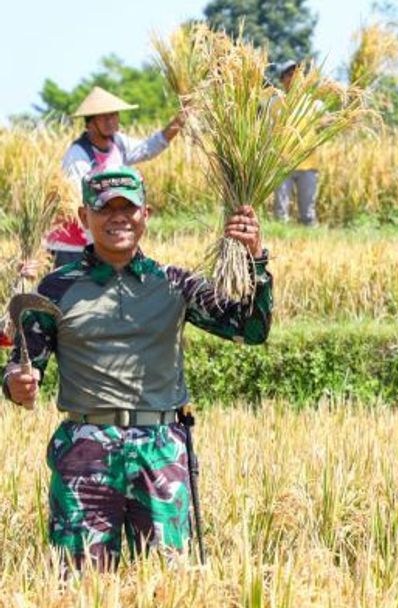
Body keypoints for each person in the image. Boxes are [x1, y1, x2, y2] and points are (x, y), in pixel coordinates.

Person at [3, 166, 273, 570]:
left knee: (169, 584)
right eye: (105, 208)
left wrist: (254, 260)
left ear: (145, 213)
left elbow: (249, 329)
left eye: (127, 208)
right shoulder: (55, 289)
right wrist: (17, 384)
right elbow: (22, 367)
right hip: (85, 451)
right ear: (83, 218)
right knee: (80, 587)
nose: (118, 217)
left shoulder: (174, 283)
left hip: (160, 448)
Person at [49, 87, 187, 267]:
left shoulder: (118, 143)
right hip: (74, 245)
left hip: (102, 238)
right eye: (105, 117)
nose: (111, 121)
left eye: (114, 115)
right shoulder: (77, 156)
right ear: (90, 123)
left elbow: (149, 148)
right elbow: (80, 202)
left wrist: (181, 119)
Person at [272, 61, 321, 226]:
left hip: (308, 164)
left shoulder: (313, 103)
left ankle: (310, 241)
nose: (294, 77)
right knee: (280, 212)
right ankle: (281, 238)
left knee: (308, 213)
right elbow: (266, 132)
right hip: (282, 165)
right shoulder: (274, 104)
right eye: (289, 74)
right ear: (282, 79)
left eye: (297, 74)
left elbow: (326, 122)